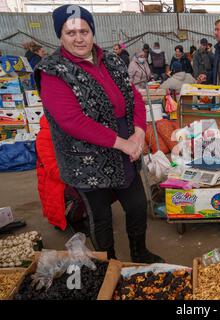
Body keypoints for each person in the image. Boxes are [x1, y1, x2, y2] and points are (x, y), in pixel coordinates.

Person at [35, 4, 163, 263]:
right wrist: (123, 143)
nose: (79, 38)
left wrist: (138, 133)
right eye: (70, 33)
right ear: (60, 35)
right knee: (100, 215)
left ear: (92, 31)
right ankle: (110, 263)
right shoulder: (53, 70)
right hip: (86, 161)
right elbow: (72, 121)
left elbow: (133, 97)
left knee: (137, 206)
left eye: (84, 30)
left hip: (125, 153)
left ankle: (139, 251)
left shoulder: (111, 59)